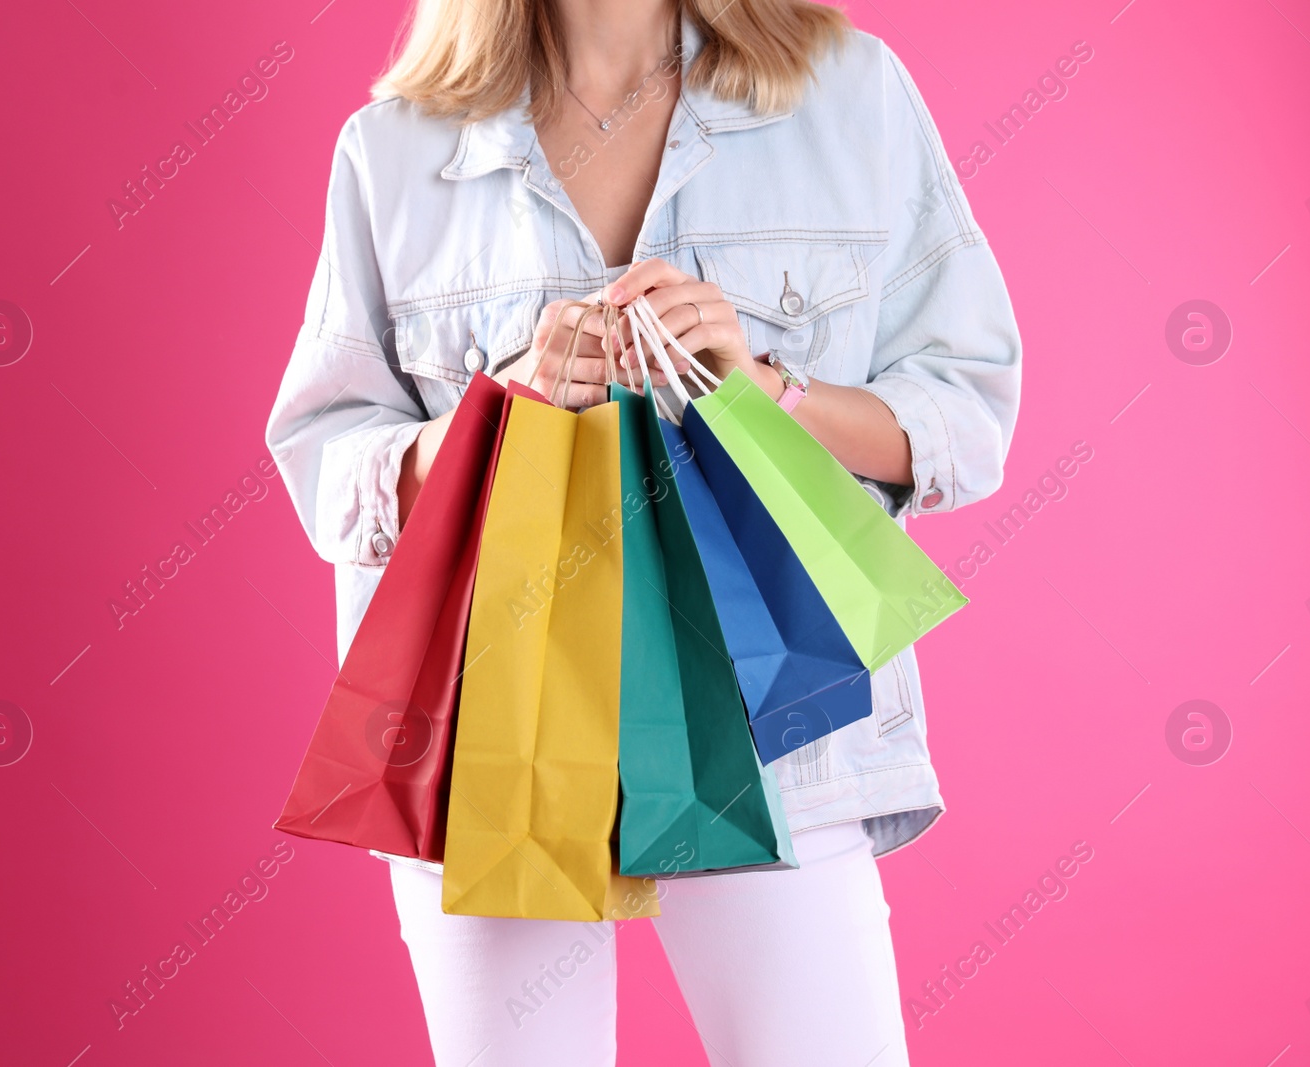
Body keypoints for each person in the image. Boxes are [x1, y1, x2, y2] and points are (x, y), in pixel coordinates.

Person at [265, 0, 1022, 1062]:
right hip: (495, 749)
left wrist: (764, 389)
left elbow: (964, 412)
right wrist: (503, 405)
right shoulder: (395, 149)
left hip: (775, 743)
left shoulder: (848, 95)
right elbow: (327, 460)